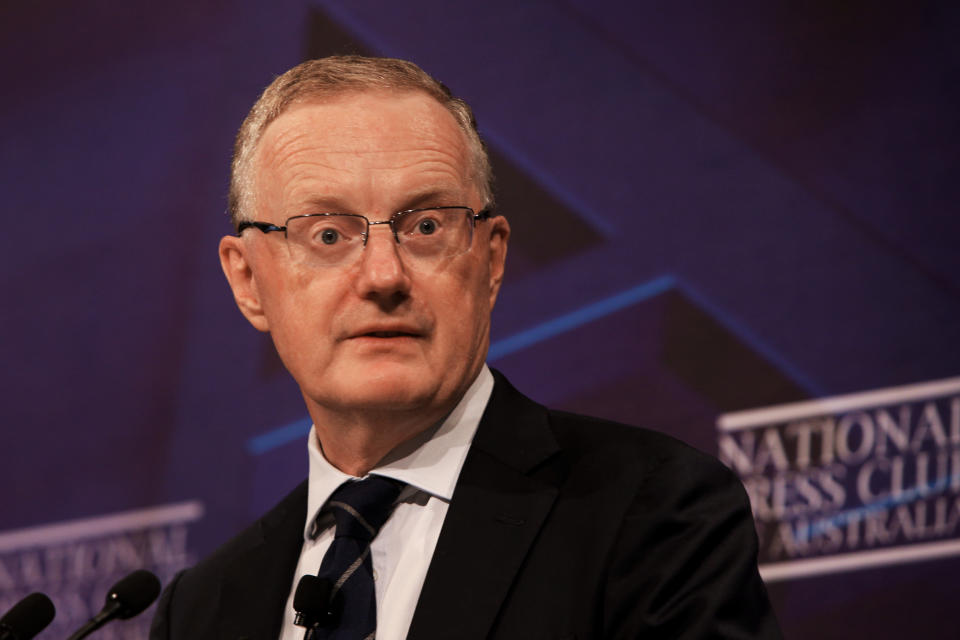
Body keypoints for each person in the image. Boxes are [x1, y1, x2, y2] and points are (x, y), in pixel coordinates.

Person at [150, 56, 781, 639]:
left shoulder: (652, 514)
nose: (383, 276)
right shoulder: (203, 612)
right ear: (248, 280)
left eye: (426, 226)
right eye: (328, 234)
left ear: (491, 259)